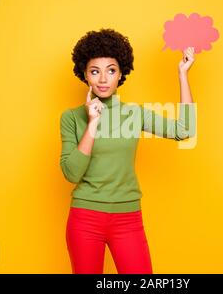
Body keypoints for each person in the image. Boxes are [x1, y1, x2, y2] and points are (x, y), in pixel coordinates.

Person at [60, 28, 196, 274]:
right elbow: (72, 173)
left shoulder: (134, 114)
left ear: (121, 73)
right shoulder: (71, 118)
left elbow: (184, 129)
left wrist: (182, 75)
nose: (103, 79)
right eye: (95, 71)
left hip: (128, 218)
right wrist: (92, 123)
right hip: (85, 220)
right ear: (85, 75)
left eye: (111, 70)